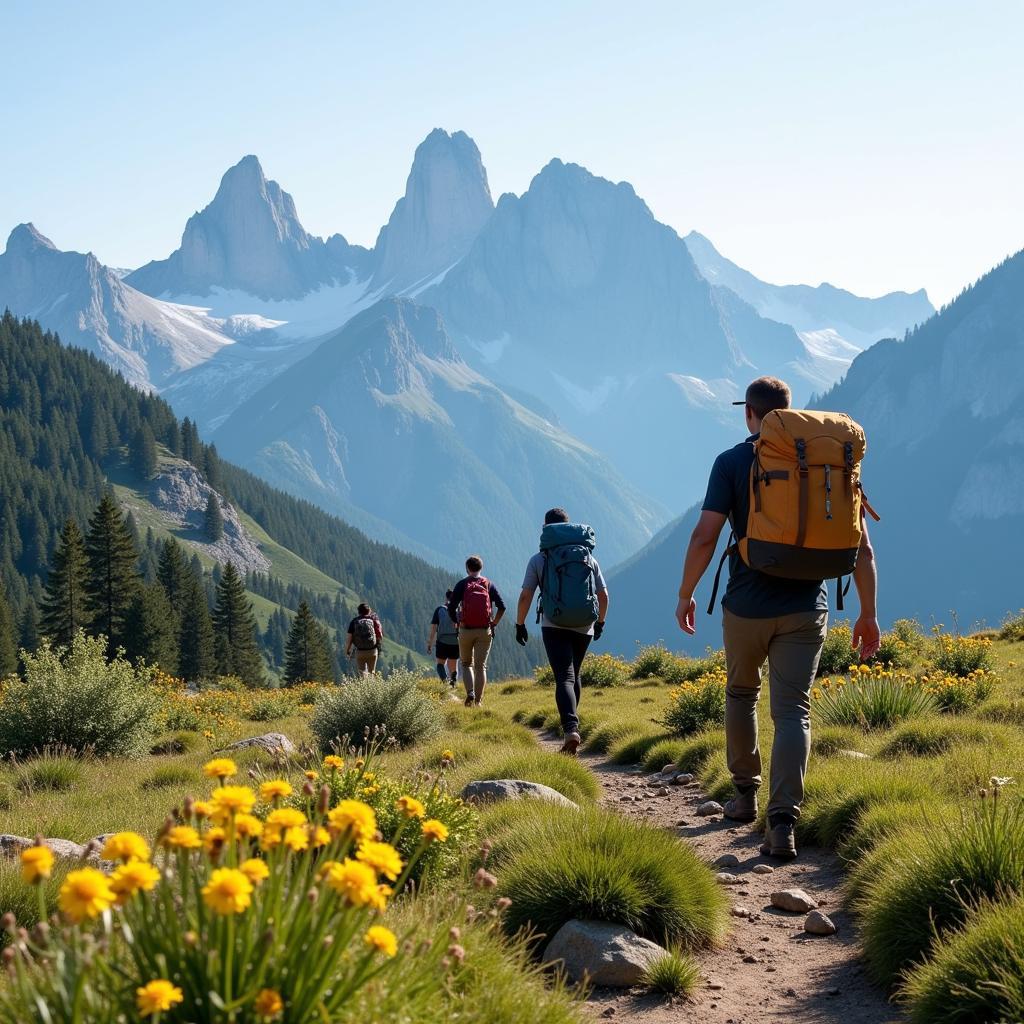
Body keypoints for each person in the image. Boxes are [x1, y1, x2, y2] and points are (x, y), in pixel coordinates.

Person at [675, 376, 880, 860]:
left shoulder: (731, 461)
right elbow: (863, 549)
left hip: (745, 606)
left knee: (741, 693)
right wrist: (868, 615)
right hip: (807, 608)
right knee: (794, 711)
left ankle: (744, 797)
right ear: (788, 413)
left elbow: (705, 537)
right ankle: (783, 824)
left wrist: (686, 594)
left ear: (750, 413)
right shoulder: (824, 461)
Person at [516, 508, 609, 755]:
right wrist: (599, 623)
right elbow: (604, 595)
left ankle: (570, 728)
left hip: (554, 623)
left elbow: (526, 595)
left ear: (547, 529)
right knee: (574, 674)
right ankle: (572, 725)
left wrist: (520, 624)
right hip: (585, 625)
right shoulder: (588, 557)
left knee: (564, 677)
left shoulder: (540, 558)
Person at [447, 556, 505, 707]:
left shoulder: (462, 584)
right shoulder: (488, 585)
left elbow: (451, 607)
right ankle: (478, 702)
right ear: (481, 568)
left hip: (465, 630)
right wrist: (494, 623)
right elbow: (502, 606)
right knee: (481, 666)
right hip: (484, 631)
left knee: (466, 664)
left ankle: (470, 693)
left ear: (467, 568)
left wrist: (456, 622)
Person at [427, 590, 459, 687]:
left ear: (446, 598)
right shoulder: (459, 610)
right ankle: (453, 682)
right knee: (453, 666)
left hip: (442, 642)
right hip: (455, 642)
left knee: (440, 664)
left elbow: (433, 629)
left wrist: (430, 643)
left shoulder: (439, 609)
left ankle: (445, 682)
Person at [345, 602, 383, 675]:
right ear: (369, 611)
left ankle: (364, 684)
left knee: (362, 673)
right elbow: (380, 636)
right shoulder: (373, 620)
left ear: (359, 612)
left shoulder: (354, 622)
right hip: (372, 651)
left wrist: (347, 651)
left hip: (360, 652)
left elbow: (349, 640)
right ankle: (372, 685)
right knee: (372, 672)